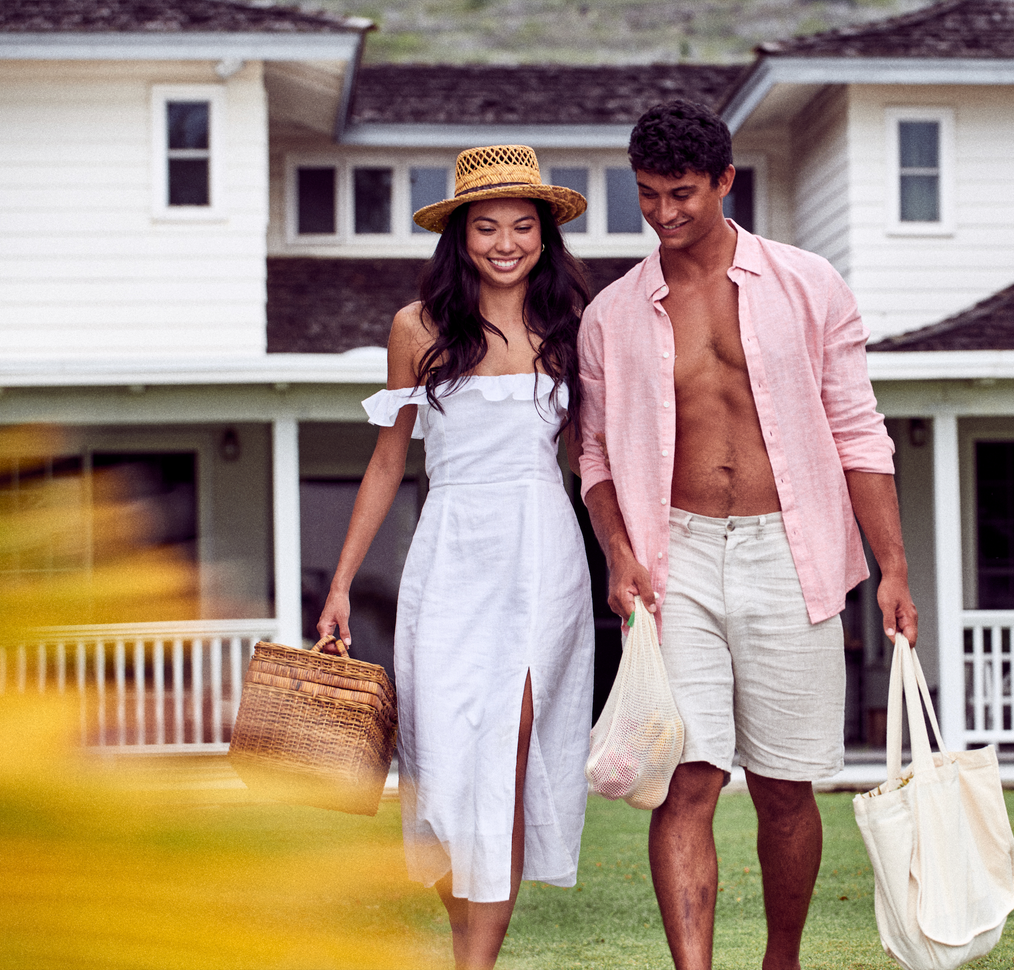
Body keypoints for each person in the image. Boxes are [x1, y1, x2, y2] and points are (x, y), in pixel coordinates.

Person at [578, 101, 919, 970]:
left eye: (682, 194)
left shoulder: (809, 284)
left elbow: (857, 429)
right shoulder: (611, 315)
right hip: (674, 558)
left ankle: (781, 960)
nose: (663, 214)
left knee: (782, 786)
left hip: (791, 550)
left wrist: (892, 567)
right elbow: (594, 456)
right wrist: (619, 554)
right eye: (648, 196)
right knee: (687, 779)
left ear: (726, 181)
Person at [316, 145, 595, 970]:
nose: (504, 242)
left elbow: (588, 462)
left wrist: (635, 551)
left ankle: (476, 964)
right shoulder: (417, 327)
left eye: (521, 226)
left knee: (503, 760)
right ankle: (461, 941)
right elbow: (385, 464)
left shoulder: (571, 324)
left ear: (544, 235)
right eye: (486, 226)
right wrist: (338, 585)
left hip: (542, 551)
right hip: (449, 551)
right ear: (459, 235)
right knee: (441, 767)